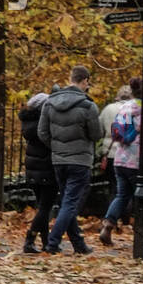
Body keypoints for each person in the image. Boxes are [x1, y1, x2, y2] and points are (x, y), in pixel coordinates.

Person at [37, 65, 102, 255]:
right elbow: (96, 134)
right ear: (84, 81)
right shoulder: (88, 106)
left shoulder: (50, 103)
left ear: (70, 78)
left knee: (67, 201)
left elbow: (42, 132)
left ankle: (78, 244)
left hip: (58, 160)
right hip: (80, 160)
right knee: (70, 203)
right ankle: (52, 242)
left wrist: (57, 147)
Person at [99, 77, 143, 246]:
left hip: (120, 160)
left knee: (122, 196)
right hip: (139, 163)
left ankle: (108, 225)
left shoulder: (125, 108)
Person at [19, 92, 56, 253]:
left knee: (42, 206)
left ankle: (45, 241)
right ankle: (30, 239)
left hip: (33, 167)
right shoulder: (44, 122)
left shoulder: (28, 122)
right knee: (45, 207)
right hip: (46, 167)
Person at [97, 84, 133, 190]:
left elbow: (99, 131)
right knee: (127, 189)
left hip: (110, 154)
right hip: (128, 154)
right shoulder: (133, 110)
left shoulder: (108, 109)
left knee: (113, 185)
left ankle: (112, 205)